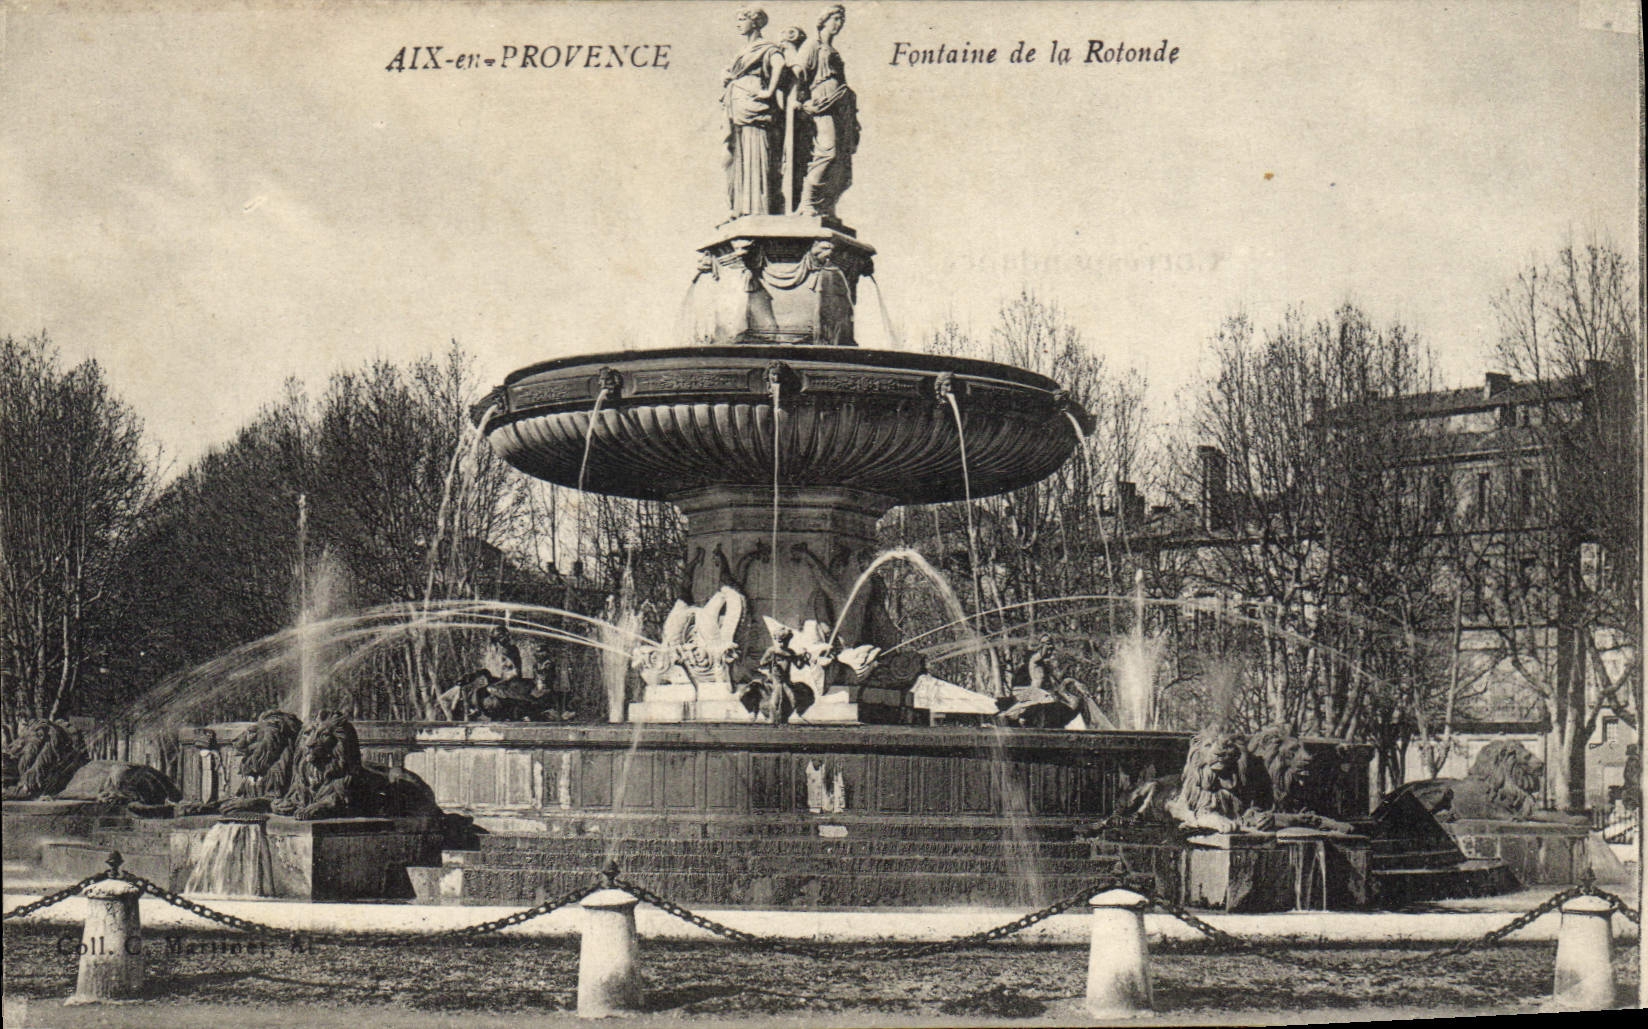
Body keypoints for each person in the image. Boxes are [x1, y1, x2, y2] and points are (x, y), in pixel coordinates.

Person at [722, 9, 789, 218]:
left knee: (756, 150)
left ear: (756, 22)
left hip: (754, 104)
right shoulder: (742, 51)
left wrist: (768, 91)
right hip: (737, 104)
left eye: (742, 19)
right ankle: (740, 207)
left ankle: (757, 209)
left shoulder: (766, 48)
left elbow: (780, 64)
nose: (738, 24)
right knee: (735, 155)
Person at [795, 5, 858, 219]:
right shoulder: (813, 45)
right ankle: (807, 203)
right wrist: (802, 103)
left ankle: (826, 206)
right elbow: (798, 75)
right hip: (822, 102)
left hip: (841, 106)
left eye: (842, 20)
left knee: (841, 159)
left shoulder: (834, 51)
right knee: (827, 152)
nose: (838, 24)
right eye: (836, 19)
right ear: (824, 20)